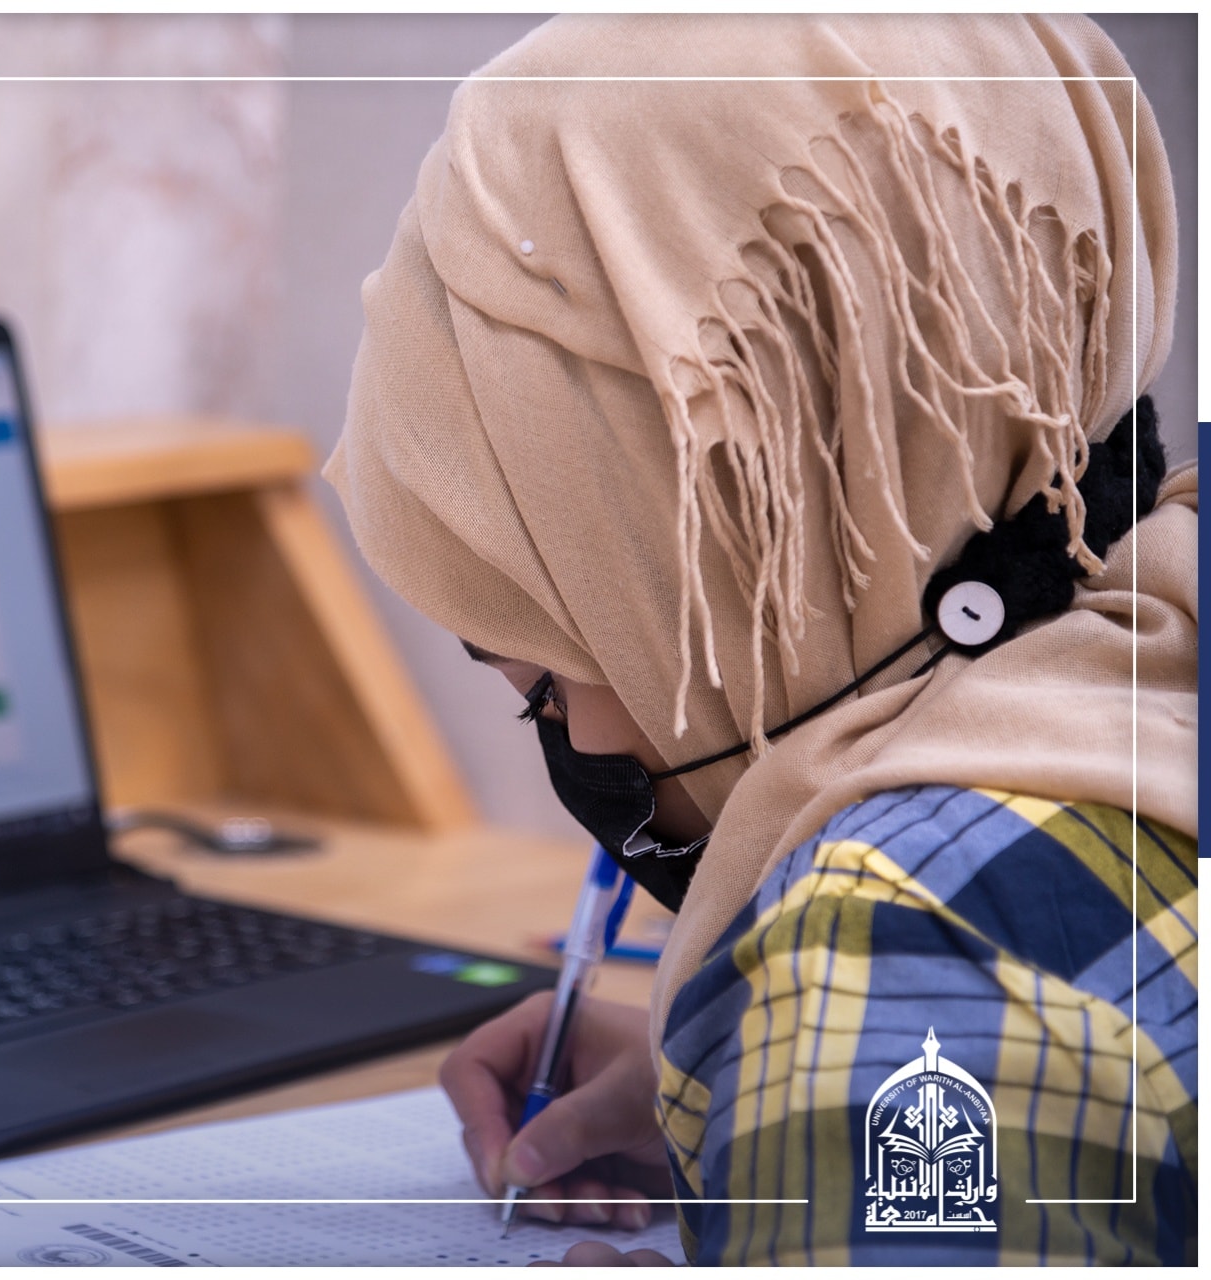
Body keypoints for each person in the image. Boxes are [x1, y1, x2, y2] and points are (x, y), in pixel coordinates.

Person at [324, 14, 1195, 1267]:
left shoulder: (891, 961)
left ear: (727, 566)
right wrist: (744, 1101)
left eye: (547, 683)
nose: (570, 743)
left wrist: (822, 1066)